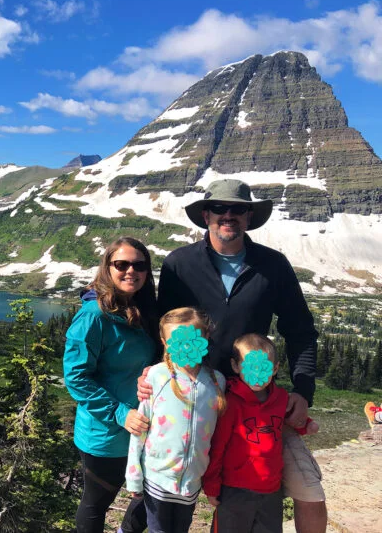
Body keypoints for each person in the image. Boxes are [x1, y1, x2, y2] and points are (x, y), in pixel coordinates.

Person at [139, 179, 326, 533]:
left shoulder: (273, 266)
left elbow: (301, 331)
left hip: (255, 399)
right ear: (206, 214)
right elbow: (163, 330)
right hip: (193, 395)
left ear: (249, 215)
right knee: (166, 489)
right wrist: (150, 374)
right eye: (220, 209)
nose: (228, 216)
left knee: (308, 489)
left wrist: (303, 391)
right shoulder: (180, 264)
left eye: (237, 209)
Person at [64, 237, 159, 533]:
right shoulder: (93, 316)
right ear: (108, 268)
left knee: (150, 495)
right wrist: (120, 413)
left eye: (139, 265)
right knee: (96, 504)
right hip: (105, 434)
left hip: (142, 428)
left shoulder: (140, 310)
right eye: (122, 264)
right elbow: (76, 377)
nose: (131, 271)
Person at [122, 307, 226, 533]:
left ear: (205, 338)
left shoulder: (217, 381)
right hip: (157, 476)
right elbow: (140, 428)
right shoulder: (156, 376)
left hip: (191, 483)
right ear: (164, 342)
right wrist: (133, 475)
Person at [203, 334, 316, 533]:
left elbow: (288, 417)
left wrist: (305, 425)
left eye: (263, 369)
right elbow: (218, 447)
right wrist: (212, 485)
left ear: (275, 368)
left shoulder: (281, 398)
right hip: (234, 489)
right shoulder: (231, 403)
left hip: (271, 490)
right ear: (236, 366)